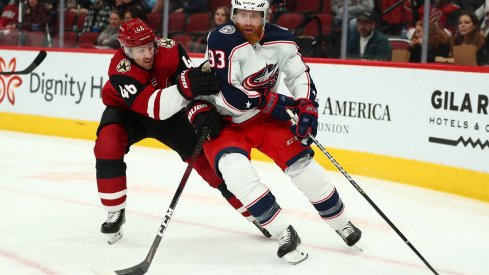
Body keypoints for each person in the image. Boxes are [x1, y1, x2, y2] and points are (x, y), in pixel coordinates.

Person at [187, 0, 362, 264]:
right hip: (222, 120)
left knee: (304, 165)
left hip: (262, 119)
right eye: (241, 15)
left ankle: (342, 222)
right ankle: (283, 232)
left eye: (253, 16)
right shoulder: (222, 39)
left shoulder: (282, 39)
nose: (246, 22)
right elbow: (230, 94)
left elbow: (298, 73)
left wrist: (306, 104)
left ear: (265, 16)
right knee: (236, 174)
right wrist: (274, 102)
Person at [94, 18, 271, 244]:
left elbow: (194, 87)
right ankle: (115, 210)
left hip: (172, 114)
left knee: (208, 162)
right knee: (107, 144)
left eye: (150, 46)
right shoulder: (120, 69)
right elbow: (153, 107)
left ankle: (257, 214)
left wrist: (201, 110)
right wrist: (185, 88)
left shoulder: (171, 50)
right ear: (125, 49)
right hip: (128, 113)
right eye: (139, 50)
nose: (147, 54)